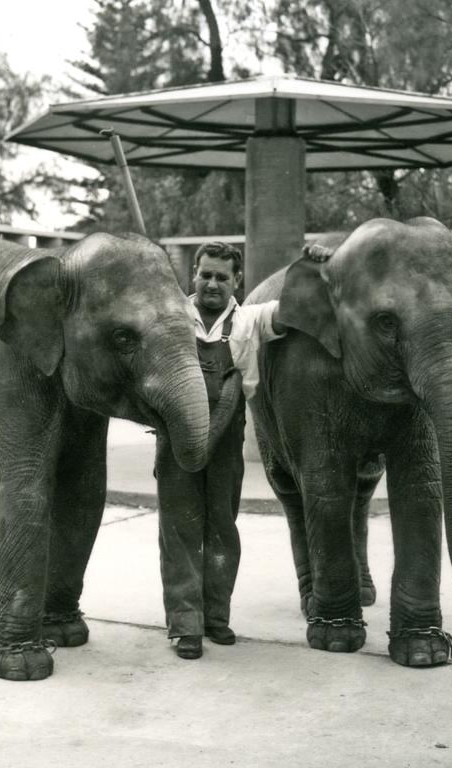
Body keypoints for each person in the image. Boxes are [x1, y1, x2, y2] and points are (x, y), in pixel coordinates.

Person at [155, 240, 286, 660]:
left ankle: (215, 618)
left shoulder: (252, 319)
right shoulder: (171, 313)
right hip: (177, 432)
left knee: (221, 528)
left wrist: (313, 263)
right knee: (179, 527)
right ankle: (185, 626)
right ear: (193, 274)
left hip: (228, 434)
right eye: (205, 274)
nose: (212, 284)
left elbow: (295, 309)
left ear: (237, 281)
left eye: (221, 277)